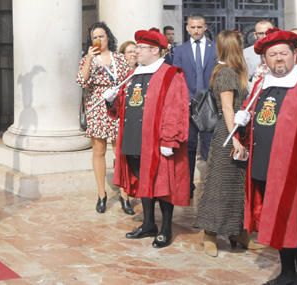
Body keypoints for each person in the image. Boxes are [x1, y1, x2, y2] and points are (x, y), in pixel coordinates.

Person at [233, 28, 297, 285]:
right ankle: (287, 273)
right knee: (281, 221)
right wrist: (244, 124)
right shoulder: (261, 86)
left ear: (295, 54)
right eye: (272, 55)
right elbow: (258, 126)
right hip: (265, 165)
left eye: (283, 53)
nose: (278, 59)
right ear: (264, 60)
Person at [105, 28, 190, 249]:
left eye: (141, 48)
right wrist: (111, 101)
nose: (136, 52)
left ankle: (166, 228)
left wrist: (169, 140)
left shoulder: (171, 74)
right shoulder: (133, 74)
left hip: (157, 141)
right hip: (133, 138)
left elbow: (176, 109)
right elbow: (124, 107)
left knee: (162, 185)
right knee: (144, 181)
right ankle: (149, 223)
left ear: (154, 50)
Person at [195, 30, 261, 256]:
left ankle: (239, 233)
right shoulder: (225, 73)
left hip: (238, 130)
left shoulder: (235, 71)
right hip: (228, 133)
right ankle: (209, 235)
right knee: (220, 184)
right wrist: (234, 138)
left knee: (239, 186)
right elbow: (226, 108)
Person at [77, 22, 134, 215]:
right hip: (97, 106)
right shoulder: (88, 59)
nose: (98, 40)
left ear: (108, 37)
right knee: (98, 151)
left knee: (120, 152)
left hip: (117, 106)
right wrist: (88, 60)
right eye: (95, 37)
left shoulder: (119, 58)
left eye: (102, 36)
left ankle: (125, 194)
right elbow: (81, 81)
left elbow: (129, 81)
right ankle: (101, 194)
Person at [173, 14, 216, 195]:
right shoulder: (180, 51)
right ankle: (187, 184)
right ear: (187, 28)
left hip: (209, 104)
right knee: (189, 146)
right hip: (188, 104)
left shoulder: (215, 49)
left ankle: (209, 186)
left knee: (209, 146)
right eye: (193, 27)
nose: (196, 30)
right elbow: (177, 76)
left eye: (199, 27)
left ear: (205, 27)